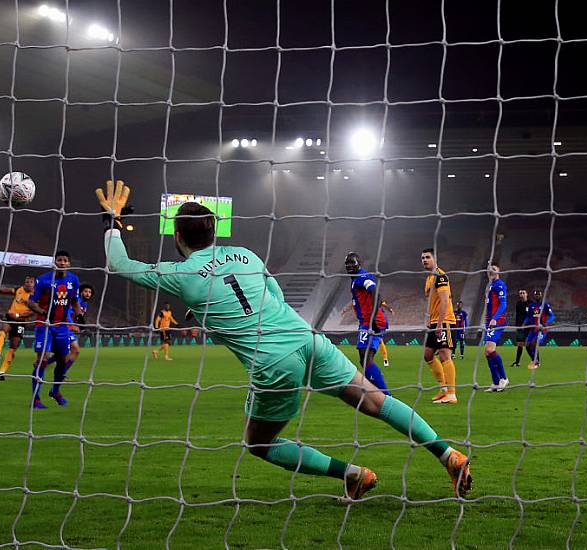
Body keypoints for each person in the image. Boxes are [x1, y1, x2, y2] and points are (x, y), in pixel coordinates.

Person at [97, 180, 472, 499]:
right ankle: (448, 454)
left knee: (259, 444)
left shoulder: (181, 274)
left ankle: (353, 475)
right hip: (307, 339)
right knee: (376, 401)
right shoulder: (245, 255)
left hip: (273, 361)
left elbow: (120, 264)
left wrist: (112, 220)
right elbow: (274, 297)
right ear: (215, 231)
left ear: (178, 237)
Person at [26, 250, 81, 409]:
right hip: (44, 324)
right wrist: (43, 312)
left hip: (63, 326)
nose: (62, 263)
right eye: (59, 260)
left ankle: (55, 391)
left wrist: (79, 317)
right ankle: (36, 399)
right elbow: (31, 302)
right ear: (54, 262)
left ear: (69, 264)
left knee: (63, 361)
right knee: (42, 360)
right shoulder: (43, 280)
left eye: (65, 260)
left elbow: (75, 301)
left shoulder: (74, 280)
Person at [344, 252, 390, 395]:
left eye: (353, 263)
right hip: (367, 321)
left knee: (365, 358)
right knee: (364, 358)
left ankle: (385, 394)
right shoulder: (355, 279)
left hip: (371, 322)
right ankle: (378, 391)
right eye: (348, 263)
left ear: (359, 264)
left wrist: (373, 318)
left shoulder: (361, 276)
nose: (350, 266)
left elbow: (374, 291)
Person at [420, 249, 459, 404]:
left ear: (435, 259)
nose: (424, 260)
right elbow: (432, 302)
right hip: (434, 321)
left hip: (445, 321)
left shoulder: (440, 276)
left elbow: (444, 301)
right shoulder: (429, 278)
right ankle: (443, 389)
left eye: (428, 257)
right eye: (422, 258)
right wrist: (429, 318)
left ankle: (452, 394)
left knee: (444, 354)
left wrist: (441, 324)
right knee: (428, 355)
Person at [0, 275, 36, 380]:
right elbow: (5, 290)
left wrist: (18, 316)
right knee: (3, 329)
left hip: (21, 321)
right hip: (10, 317)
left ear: (34, 284)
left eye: (30, 282)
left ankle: (1, 372)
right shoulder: (19, 290)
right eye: (26, 282)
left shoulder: (35, 296)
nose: (28, 284)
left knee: (14, 346)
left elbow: (33, 312)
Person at [44, 282, 95, 375]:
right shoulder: (76, 301)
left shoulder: (84, 305)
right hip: (64, 327)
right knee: (74, 350)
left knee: (61, 353)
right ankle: (61, 373)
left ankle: (44, 364)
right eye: (86, 291)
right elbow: (66, 312)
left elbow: (77, 317)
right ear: (81, 292)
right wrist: (72, 325)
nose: (88, 293)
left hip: (68, 327)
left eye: (90, 292)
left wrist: (79, 327)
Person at [483, 263, 509, 392]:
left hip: (496, 321)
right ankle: (495, 382)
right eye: (489, 269)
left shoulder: (500, 285)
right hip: (489, 322)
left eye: (494, 269)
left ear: (499, 271)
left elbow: (503, 304)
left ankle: (503, 378)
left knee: (489, 349)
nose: (491, 271)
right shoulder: (490, 285)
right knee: (487, 352)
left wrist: (494, 318)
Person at [524, 289, 555, 370]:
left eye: (539, 295)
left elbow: (552, 316)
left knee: (534, 343)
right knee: (527, 345)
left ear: (541, 296)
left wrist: (547, 322)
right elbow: (528, 316)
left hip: (542, 329)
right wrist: (525, 322)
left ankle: (537, 362)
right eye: (536, 295)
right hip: (533, 329)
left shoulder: (545, 305)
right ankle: (534, 360)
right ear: (534, 296)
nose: (537, 296)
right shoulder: (531, 306)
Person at [512, 289, 529, 366]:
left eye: (523, 293)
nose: (521, 294)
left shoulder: (530, 303)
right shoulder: (518, 304)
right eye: (520, 293)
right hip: (520, 327)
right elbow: (518, 315)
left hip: (529, 327)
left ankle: (536, 361)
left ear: (526, 294)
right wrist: (517, 326)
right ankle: (517, 362)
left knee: (530, 345)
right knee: (520, 345)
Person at [378, 299, 393, 368]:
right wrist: (390, 310)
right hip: (381, 322)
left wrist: (390, 309)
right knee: (379, 341)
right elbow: (385, 305)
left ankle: (385, 359)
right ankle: (385, 359)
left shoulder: (375, 299)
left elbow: (385, 305)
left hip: (379, 322)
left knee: (380, 341)